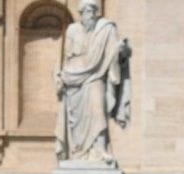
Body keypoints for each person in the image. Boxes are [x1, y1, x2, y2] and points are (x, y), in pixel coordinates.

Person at [54, 0, 130, 164]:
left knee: (98, 112)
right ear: (80, 14)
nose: (89, 14)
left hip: (96, 77)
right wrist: (63, 76)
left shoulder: (106, 28)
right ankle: (78, 153)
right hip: (74, 80)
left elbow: (116, 50)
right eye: (85, 11)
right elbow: (67, 57)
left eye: (92, 11)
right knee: (76, 122)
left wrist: (122, 51)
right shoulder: (72, 30)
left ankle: (100, 151)